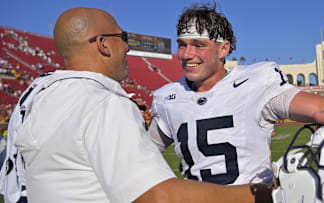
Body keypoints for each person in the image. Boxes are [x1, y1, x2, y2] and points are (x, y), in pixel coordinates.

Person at [0, 7, 273, 203]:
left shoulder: (37, 99)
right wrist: (258, 194)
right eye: (123, 38)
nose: (128, 48)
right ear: (103, 44)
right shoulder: (104, 103)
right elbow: (158, 196)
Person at [149, 3, 324, 186]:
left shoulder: (256, 83)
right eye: (182, 45)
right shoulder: (169, 98)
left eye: (198, 45)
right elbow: (144, 153)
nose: (187, 54)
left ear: (223, 49)